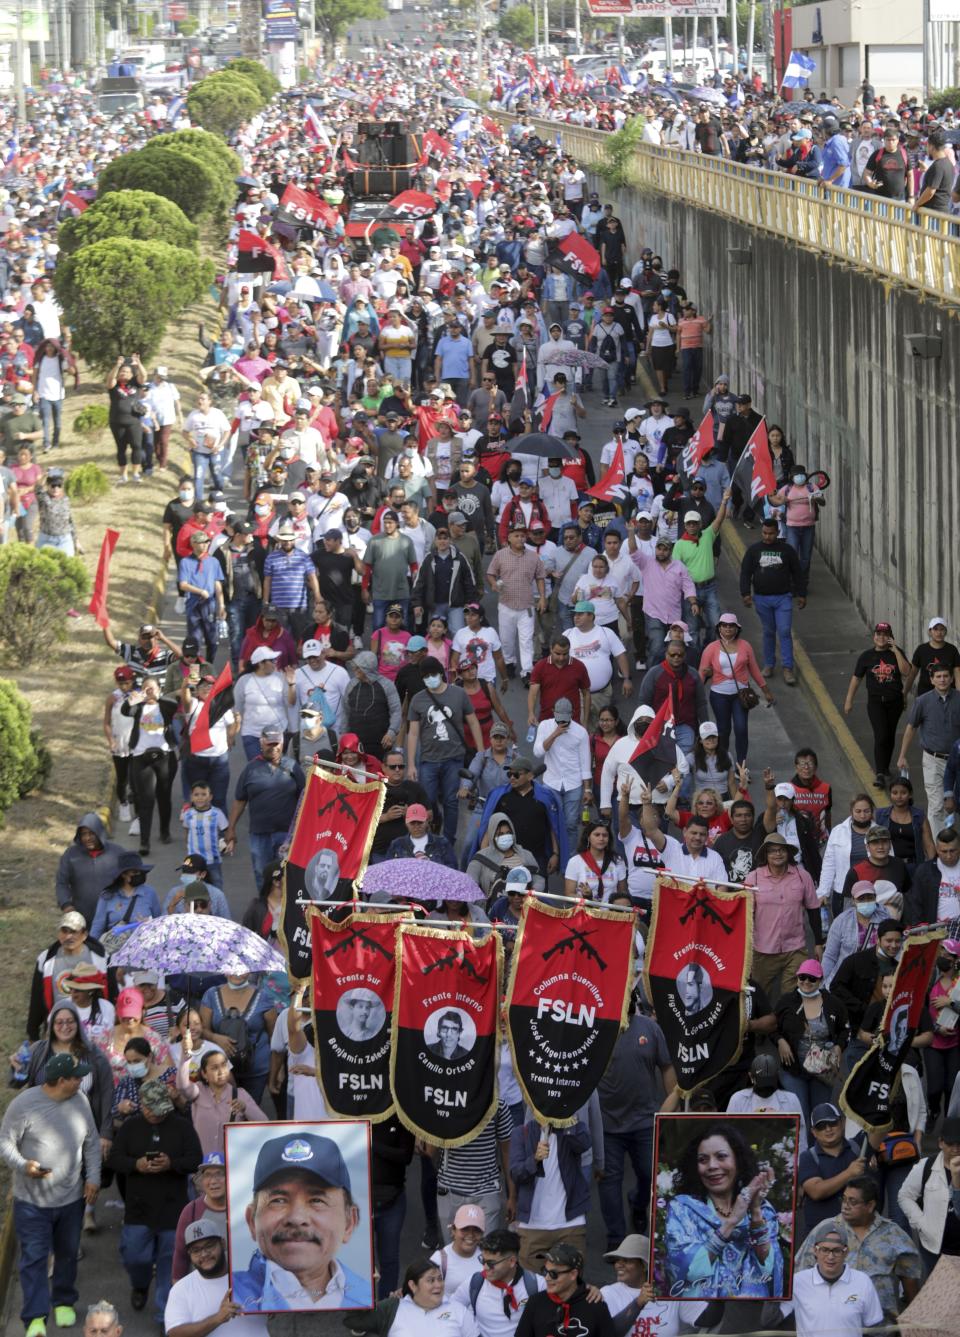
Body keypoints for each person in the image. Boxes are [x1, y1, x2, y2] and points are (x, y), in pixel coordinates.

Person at [0, 1053, 101, 1337]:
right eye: (76, 1077)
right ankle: (35, 1317)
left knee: (67, 1254)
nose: (81, 1080)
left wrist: (93, 1177)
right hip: (31, 1203)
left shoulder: (80, 1101)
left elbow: (92, 1143)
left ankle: (64, 1300)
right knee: (33, 1258)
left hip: (70, 1199)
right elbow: (4, 1143)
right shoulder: (24, 1105)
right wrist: (24, 1165)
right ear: (60, 1081)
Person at [230, 1130, 372, 1311]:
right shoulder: (230, 1300)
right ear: (251, 1221)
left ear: (349, 1223)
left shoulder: (367, 1298)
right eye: (278, 1201)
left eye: (317, 1201)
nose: (297, 1218)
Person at [663, 1121, 784, 1298]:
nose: (712, 1166)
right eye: (703, 1160)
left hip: (750, 1313)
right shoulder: (683, 1209)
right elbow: (690, 1271)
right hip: (703, 1315)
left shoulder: (763, 1211)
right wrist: (731, 1223)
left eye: (721, 1157)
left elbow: (770, 1270)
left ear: (738, 1161)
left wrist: (756, 1212)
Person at [794, 1176, 922, 1323]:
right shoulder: (825, 1229)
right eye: (844, 1199)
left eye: (853, 1201)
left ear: (870, 1205)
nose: (845, 1206)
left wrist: (915, 1320)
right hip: (835, 1326)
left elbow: (910, 1279)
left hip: (880, 1327)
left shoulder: (894, 1235)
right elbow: (800, 1272)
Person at [406, 656, 482, 843]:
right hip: (428, 759)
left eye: (432, 674)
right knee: (428, 800)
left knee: (451, 801)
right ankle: (435, 824)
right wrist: (411, 765)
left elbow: (472, 721)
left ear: (441, 673)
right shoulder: (418, 699)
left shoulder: (458, 694)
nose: (430, 678)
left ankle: (448, 839)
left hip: (454, 758)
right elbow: (413, 733)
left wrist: (481, 753)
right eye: (425, 676)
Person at [745, 833, 823, 1001]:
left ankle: (787, 1026)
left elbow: (813, 909)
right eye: (772, 851)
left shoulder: (803, 876)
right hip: (762, 950)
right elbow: (745, 913)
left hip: (795, 948)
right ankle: (763, 1027)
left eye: (781, 850)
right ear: (766, 855)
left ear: (788, 853)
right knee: (760, 995)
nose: (777, 854)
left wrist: (818, 942)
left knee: (792, 996)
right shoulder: (754, 877)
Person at [224, 728, 305, 888]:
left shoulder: (293, 767)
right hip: (259, 835)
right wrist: (230, 829)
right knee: (262, 874)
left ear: (282, 744)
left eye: (277, 744)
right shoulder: (250, 769)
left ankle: (284, 911)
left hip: (287, 835)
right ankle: (265, 908)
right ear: (261, 744)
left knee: (287, 876)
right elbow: (240, 800)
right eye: (269, 744)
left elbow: (304, 798)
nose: (273, 748)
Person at [165, 1218, 263, 1337]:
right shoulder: (181, 1289)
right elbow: (175, 1333)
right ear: (189, 1255)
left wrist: (273, 1307)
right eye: (196, 1250)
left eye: (209, 1246)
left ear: (223, 1244)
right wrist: (218, 1318)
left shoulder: (252, 1277)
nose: (204, 1254)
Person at [844, 621, 911, 789]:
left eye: (885, 634)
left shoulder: (896, 653)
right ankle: (880, 773)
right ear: (874, 636)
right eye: (879, 634)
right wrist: (849, 700)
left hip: (894, 702)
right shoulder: (866, 656)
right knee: (880, 735)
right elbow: (856, 678)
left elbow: (906, 671)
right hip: (876, 703)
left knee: (889, 735)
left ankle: (886, 769)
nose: (881, 637)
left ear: (890, 637)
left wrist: (895, 650)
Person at [698, 613, 772, 762]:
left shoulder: (745, 646)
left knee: (741, 729)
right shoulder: (711, 648)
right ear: (719, 628)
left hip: (741, 695)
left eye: (731, 626)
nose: (728, 629)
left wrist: (766, 691)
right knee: (723, 731)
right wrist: (695, 695)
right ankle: (724, 763)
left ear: (737, 628)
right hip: (719, 695)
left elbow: (755, 670)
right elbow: (702, 672)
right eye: (724, 625)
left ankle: (741, 765)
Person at [739, 517, 805, 683]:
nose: (767, 536)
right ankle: (769, 664)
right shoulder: (754, 550)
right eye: (764, 533)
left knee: (784, 631)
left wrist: (802, 594)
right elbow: (745, 573)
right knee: (768, 632)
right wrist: (745, 593)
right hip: (761, 599)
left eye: (771, 533)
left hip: (783, 598)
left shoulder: (787, 550)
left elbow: (797, 573)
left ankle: (787, 668)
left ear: (777, 532)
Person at [897, 663, 960, 835]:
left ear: (952, 679)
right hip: (933, 760)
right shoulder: (922, 701)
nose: (942, 680)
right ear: (931, 680)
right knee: (937, 806)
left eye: (946, 676)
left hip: (957, 762)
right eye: (938, 677)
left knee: (955, 804)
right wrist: (902, 756)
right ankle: (940, 850)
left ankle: (953, 845)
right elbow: (911, 728)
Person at [785, 1225, 883, 1336]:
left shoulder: (863, 1281)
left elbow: (873, 1326)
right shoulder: (797, 1281)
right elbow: (769, 1321)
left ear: (846, 1252)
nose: (830, 1256)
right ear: (815, 1251)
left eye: (836, 1250)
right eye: (825, 1250)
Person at [346, 1258, 480, 1336]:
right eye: (431, 1280)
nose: (438, 1285)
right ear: (413, 1285)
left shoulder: (459, 1311)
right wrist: (362, 1288)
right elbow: (355, 1320)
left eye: (440, 1279)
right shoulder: (393, 1308)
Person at [797, 1103, 867, 1238]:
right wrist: (849, 1173)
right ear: (814, 1132)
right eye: (821, 1126)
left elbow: (878, 1131)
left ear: (842, 1122)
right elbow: (816, 1191)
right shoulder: (807, 1157)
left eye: (832, 1123)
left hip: (855, 1235)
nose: (828, 1129)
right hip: (821, 1239)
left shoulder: (856, 1147)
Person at [515, 1244, 614, 1337]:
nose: (547, 1278)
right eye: (545, 1271)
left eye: (554, 1274)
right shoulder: (535, 1303)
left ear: (573, 1274)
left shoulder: (596, 1306)